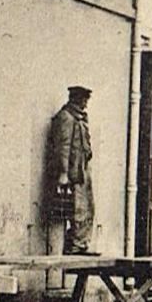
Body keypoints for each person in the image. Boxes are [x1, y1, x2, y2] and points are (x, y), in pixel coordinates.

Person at [49, 85, 95, 255]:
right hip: (73, 173)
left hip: (82, 169)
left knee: (88, 207)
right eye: (83, 99)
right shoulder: (66, 117)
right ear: (75, 98)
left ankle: (81, 242)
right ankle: (75, 244)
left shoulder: (81, 118)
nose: (85, 103)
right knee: (77, 209)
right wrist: (63, 173)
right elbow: (64, 146)